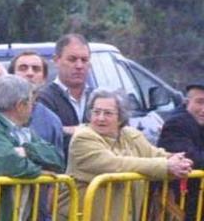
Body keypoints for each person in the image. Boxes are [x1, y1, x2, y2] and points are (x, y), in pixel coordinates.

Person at [62, 89, 192, 221]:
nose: (100, 118)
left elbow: (154, 154)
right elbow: (115, 164)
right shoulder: (83, 138)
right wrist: (166, 166)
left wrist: (177, 160)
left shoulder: (131, 135)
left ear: (120, 118)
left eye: (108, 113)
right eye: (96, 112)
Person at [0, 75, 64, 221]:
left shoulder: (23, 127)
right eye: (31, 102)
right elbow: (11, 164)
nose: (33, 107)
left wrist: (27, 150)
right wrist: (40, 171)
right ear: (20, 105)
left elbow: (57, 158)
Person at [8, 51, 65, 221]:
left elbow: (58, 165)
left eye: (36, 69)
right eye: (23, 68)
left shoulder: (52, 120)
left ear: (44, 78)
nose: (30, 73)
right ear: (11, 76)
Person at [37, 33, 93, 157]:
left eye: (84, 60)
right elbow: (45, 137)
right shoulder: (43, 99)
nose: (79, 66)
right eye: (72, 59)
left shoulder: (97, 99)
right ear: (56, 60)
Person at [157, 81, 204, 221]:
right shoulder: (176, 124)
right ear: (187, 102)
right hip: (180, 206)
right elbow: (191, 159)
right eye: (200, 102)